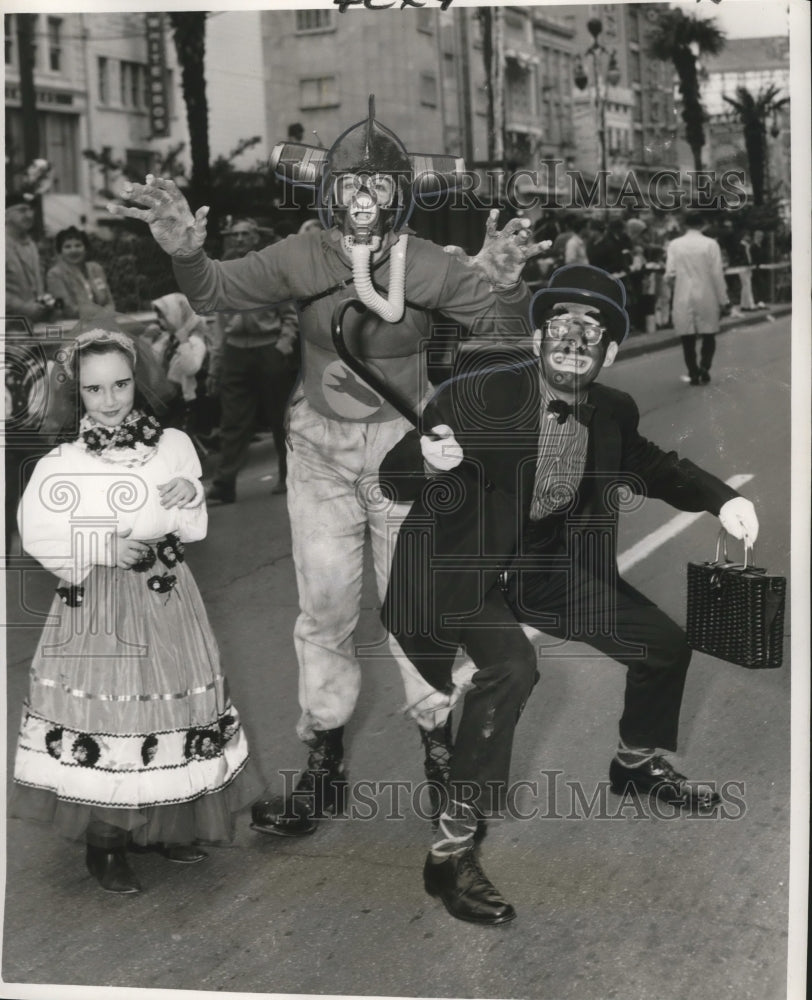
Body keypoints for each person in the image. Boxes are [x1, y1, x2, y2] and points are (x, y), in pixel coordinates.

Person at [109, 96, 544, 837]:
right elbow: (214, 289)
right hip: (318, 451)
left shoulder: (429, 264)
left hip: (406, 457)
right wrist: (183, 248)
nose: (364, 201)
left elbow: (507, 333)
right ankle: (324, 763)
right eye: (350, 187)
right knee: (327, 610)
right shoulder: (301, 254)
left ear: (401, 197)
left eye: (378, 187)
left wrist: (504, 283)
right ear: (329, 195)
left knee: (419, 610)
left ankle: (444, 759)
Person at [378, 264, 759, 925]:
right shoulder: (474, 396)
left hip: (546, 568)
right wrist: (424, 461)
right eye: (561, 327)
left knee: (663, 643)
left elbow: (656, 466)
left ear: (610, 352)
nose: (576, 340)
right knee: (511, 668)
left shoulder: (612, 411)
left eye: (592, 331)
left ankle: (635, 762)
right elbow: (394, 478)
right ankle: (449, 854)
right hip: (457, 571)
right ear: (535, 340)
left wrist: (722, 502)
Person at [10, 325, 263, 895]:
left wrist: (187, 496)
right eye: (96, 390)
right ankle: (107, 842)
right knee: (116, 715)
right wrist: (100, 544)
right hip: (101, 603)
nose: (111, 399)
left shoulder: (172, 443)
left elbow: (192, 522)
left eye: (120, 384)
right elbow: (35, 530)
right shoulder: (62, 461)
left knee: (173, 706)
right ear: (78, 393)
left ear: (135, 381)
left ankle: (171, 823)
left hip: (169, 590)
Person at [205, 218, 300, 503]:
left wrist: (282, 346)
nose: (240, 239)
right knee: (233, 420)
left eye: (246, 234)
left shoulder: (270, 271)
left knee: (280, 418)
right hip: (235, 351)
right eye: (235, 235)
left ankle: (289, 475)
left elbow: (290, 314)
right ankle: (224, 486)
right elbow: (219, 322)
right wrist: (216, 364)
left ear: (256, 238)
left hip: (268, 348)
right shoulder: (223, 273)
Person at [665, 210, 729, 386]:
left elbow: (669, 273)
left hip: (682, 295)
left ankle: (692, 371)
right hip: (707, 294)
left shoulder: (674, 244)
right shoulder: (710, 244)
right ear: (702, 225)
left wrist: (673, 287)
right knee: (709, 334)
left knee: (687, 337)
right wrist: (723, 300)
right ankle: (705, 367)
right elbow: (717, 274)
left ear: (685, 225)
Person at [148, 292, 211, 437]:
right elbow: (155, 363)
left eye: (163, 317)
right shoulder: (168, 339)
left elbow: (191, 369)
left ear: (177, 316)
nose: (159, 321)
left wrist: (184, 343)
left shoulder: (194, 341)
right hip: (169, 395)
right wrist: (152, 340)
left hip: (184, 399)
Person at [5, 192, 55, 327]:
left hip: (33, 322)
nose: (29, 215)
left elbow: (37, 283)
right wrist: (23, 307)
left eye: (30, 210)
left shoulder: (31, 245)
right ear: (5, 215)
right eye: (22, 210)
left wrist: (44, 304)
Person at [46, 226, 115, 320]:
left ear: (86, 248)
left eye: (78, 245)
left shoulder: (96, 269)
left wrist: (108, 313)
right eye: (67, 247)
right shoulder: (54, 275)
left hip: (102, 323)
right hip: (72, 327)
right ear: (60, 252)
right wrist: (100, 313)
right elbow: (68, 310)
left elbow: (109, 302)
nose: (73, 250)